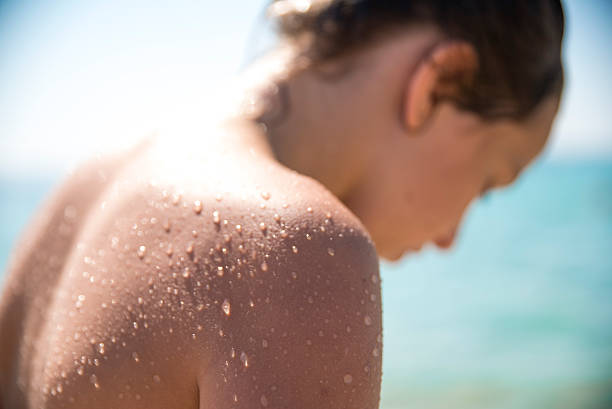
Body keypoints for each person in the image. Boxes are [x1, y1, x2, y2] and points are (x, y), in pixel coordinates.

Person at [0, 0, 564, 408]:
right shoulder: (298, 250)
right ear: (440, 79)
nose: (450, 239)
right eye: (489, 181)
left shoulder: (88, 183)